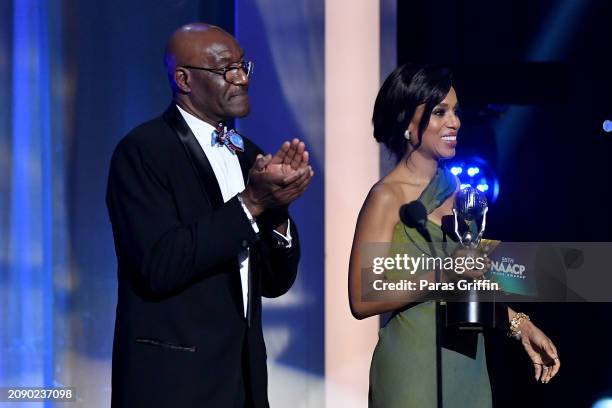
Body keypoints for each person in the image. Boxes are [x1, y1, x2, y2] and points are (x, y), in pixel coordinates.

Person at [106, 23, 313, 408]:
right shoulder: (143, 151)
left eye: (242, 66)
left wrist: (278, 211)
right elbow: (159, 264)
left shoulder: (248, 154)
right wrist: (251, 203)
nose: (241, 79)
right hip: (173, 384)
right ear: (184, 80)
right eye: (225, 70)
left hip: (243, 382)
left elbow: (274, 283)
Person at [348, 64, 560, 407]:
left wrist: (520, 325)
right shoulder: (386, 197)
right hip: (412, 369)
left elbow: (469, 286)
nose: (455, 122)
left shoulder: (461, 193)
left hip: (468, 366)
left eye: (456, 111)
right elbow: (362, 296)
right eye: (439, 112)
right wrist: (444, 273)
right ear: (406, 122)